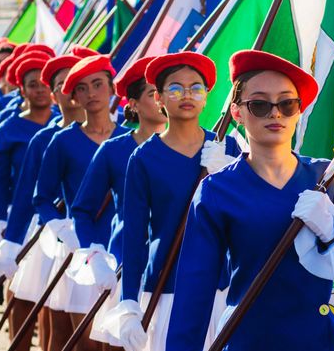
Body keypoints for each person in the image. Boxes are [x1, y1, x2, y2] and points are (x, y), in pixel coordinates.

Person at [165, 50, 334, 351]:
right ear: (237, 112)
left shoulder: (327, 177)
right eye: (260, 104)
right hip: (249, 342)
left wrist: (332, 231)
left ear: (299, 110)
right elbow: (194, 292)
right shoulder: (216, 191)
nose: (275, 113)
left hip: (321, 343)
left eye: (287, 103)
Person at [104, 52, 240, 351]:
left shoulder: (227, 147)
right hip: (167, 286)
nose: (187, 95)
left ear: (206, 97)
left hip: (220, 285)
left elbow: (246, 218)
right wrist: (129, 300)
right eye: (176, 89)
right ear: (159, 98)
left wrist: (229, 176)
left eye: (196, 88)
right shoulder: (143, 158)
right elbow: (134, 233)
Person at [69, 56, 167, 347]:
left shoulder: (201, 150)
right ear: (133, 104)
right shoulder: (114, 150)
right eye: (153, 93)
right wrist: (94, 256)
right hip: (127, 261)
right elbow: (83, 209)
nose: (163, 99)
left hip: (176, 262)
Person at [0, 54, 86, 351]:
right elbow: (23, 192)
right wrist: (9, 238)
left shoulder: (110, 134)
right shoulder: (43, 138)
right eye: (61, 85)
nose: (70, 92)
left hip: (90, 236)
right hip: (46, 230)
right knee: (40, 306)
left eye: (77, 84)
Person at [34, 54, 127, 351]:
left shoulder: (131, 141)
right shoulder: (62, 142)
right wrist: (62, 227)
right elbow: (42, 198)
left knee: (119, 343)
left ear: (112, 88)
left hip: (125, 250)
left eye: (98, 84)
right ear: (73, 96)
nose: (91, 94)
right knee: (85, 344)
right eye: (82, 88)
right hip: (84, 249)